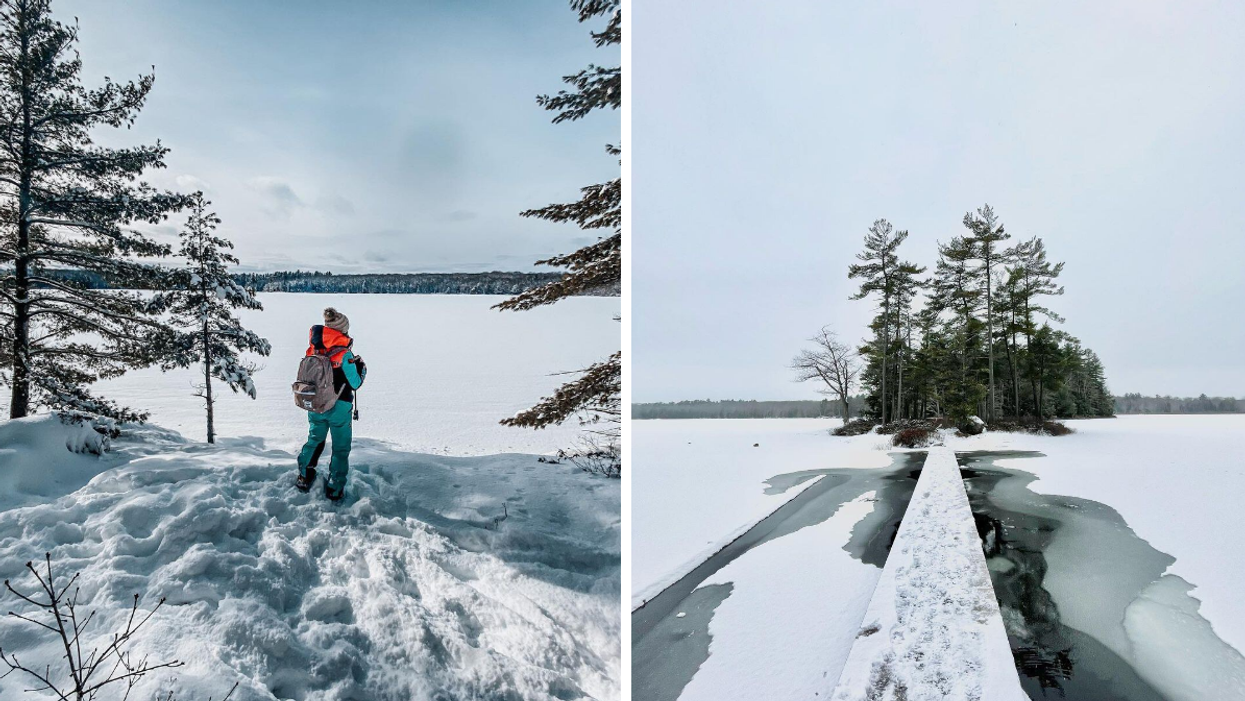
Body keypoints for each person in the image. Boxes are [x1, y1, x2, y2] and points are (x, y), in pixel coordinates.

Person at [295, 307, 366, 500]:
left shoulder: (312, 349)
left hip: (316, 404)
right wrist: (362, 368)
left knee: (315, 440)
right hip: (339, 406)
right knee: (340, 447)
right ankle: (335, 487)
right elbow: (355, 382)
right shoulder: (344, 354)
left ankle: (304, 475)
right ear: (342, 330)